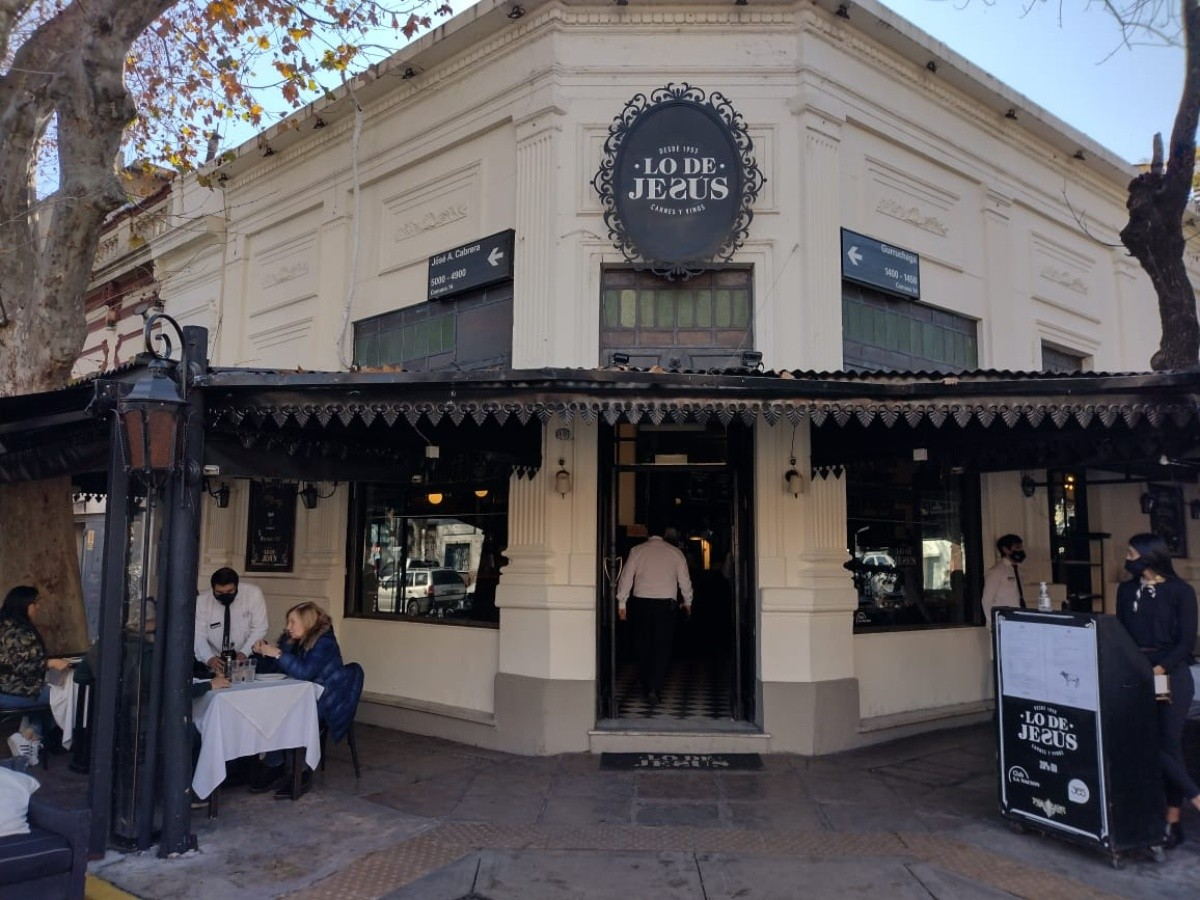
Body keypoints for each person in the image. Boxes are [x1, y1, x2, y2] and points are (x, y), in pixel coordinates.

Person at [1115, 532, 1200, 849]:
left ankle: (1173, 822)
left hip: (1171, 676)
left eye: (1131, 553)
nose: (1127, 559)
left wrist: (1158, 670)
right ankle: (1190, 802)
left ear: (1149, 557)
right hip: (1137, 675)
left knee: (1168, 745)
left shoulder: (1181, 591)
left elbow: (1185, 642)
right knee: (1148, 744)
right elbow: (1122, 635)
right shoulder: (1126, 591)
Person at [252, 601, 355, 797]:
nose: (288, 627)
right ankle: (275, 764)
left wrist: (279, 654)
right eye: (287, 622)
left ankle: (302, 771)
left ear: (307, 622)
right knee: (273, 709)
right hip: (299, 696)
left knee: (292, 715)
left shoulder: (324, 641)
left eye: (292, 622)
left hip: (329, 700)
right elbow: (277, 667)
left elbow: (305, 672)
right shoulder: (293, 639)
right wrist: (263, 651)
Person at [615, 524, 694, 705]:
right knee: (662, 647)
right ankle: (655, 688)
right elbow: (684, 581)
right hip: (666, 605)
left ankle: (646, 684)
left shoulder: (637, 551)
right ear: (665, 534)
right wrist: (688, 602)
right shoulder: (675, 553)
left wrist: (622, 603)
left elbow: (626, 577)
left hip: (641, 603)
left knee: (643, 645)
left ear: (648, 534)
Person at [0, 585, 71, 747]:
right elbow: (21, 666)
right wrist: (50, 663)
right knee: (64, 696)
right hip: (10, 693)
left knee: (48, 693)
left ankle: (30, 734)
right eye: (35, 603)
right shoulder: (17, 632)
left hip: (8, 689)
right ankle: (34, 738)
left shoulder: (6, 625)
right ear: (23, 605)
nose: (38, 607)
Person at [194, 567, 269, 676]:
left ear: (237, 586)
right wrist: (209, 658)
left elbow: (259, 628)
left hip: (247, 654)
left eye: (230, 591)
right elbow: (198, 634)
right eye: (219, 592)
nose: (225, 595)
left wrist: (244, 652)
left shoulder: (253, 594)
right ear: (213, 588)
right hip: (215, 658)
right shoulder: (202, 601)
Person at [981, 534, 1028, 629]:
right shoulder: (997, 571)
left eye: (1021, 547)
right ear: (1006, 549)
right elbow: (987, 601)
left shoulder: (1018, 571)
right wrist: (995, 624)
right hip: (1003, 624)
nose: (1021, 551)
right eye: (1017, 547)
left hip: (1018, 622)